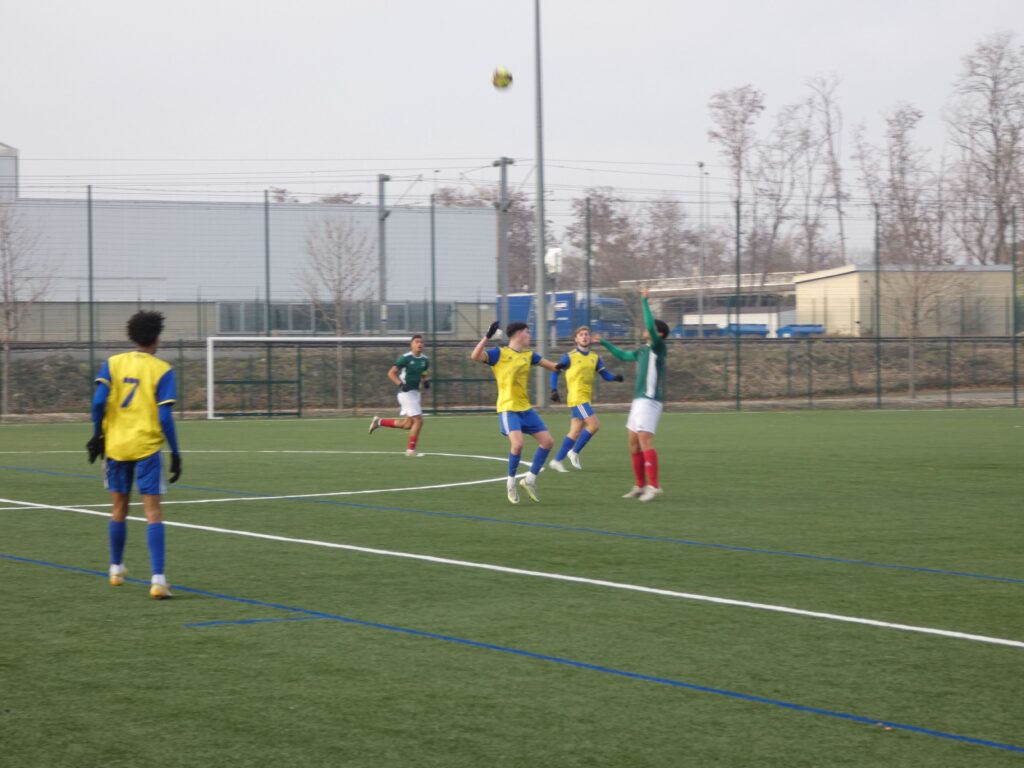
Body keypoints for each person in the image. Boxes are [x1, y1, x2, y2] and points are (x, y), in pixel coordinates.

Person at [87, 310, 181, 598]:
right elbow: (164, 416)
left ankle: (116, 569)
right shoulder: (162, 369)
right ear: (157, 338)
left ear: (132, 336)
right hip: (146, 448)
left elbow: (98, 402)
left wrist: (97, 434)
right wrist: (176, 452)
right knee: (153, 513)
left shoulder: (113, 363)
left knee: (118, 509)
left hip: (116, 447)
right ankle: (158, 580)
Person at [471, 320, 561, 504]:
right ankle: (510, 482)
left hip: (525, 408)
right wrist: (487, 336)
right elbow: (475, 356)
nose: (530, 335)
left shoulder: (529, 355)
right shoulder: (499, 353)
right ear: (519, 334)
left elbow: (554, 366)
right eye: (527, 332)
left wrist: (569, 363)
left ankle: (529, 480)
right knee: (518, 444)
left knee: (548, 442)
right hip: (508, 408)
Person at [595, 289, 669, 502]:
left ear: (659, 334)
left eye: (650, 329)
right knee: (633, 443)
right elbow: (623, 355)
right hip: (638, 401)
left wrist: (644, 301)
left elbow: (651, 327)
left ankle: (653, 486)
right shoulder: (643, 350)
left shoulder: (658, 347)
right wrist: (604, 343)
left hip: (650, 399)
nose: (646, 330)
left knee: (645, 441)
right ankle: (639, 485)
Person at [548, 325, 624, 472]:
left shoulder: (595, 357)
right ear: (576, 339)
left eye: (586, 334)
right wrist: (554, 390)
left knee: (575, 431)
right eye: (581, 335)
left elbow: (605, 375)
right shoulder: (569, 356)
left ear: (590, 338)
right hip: (577, 398)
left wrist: (615, 377)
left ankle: (557, 461)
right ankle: (574, 452)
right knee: (594, 425)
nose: (584, 337)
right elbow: (555, 371)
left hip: (585, 398)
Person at [368, 334, 430, 456]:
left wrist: (425, 380)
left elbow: (423, 371)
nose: (420, 344)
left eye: (422, 342)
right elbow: (391, 373)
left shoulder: (425, 360)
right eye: (417, 342)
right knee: (419, 420)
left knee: (407, 424)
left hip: (415, 393)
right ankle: (411, 450)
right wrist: (401, 384)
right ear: (411, 344)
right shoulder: (405, 358)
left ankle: (379, 422)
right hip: (405, 393)